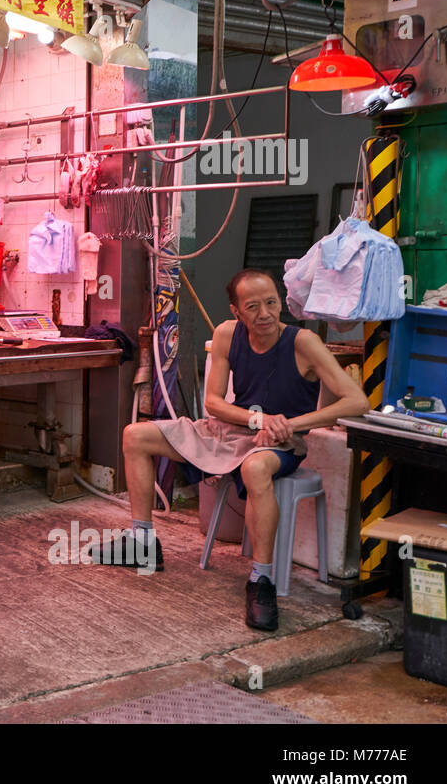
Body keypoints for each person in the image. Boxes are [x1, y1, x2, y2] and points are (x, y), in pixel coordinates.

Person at [92, 268, 368, 631]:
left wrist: (289, 424)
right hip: (228, 430)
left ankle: (260, 579)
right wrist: (258, 420)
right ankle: (143, 541)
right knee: (134, 435)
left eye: (271, 302)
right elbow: (214, 403)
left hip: (281, 442)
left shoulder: (303, 343)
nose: (265, 313)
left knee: (255, 469)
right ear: (236, 311)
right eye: (252, 307)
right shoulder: (226, 335)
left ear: (281, 300)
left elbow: (357, 402)